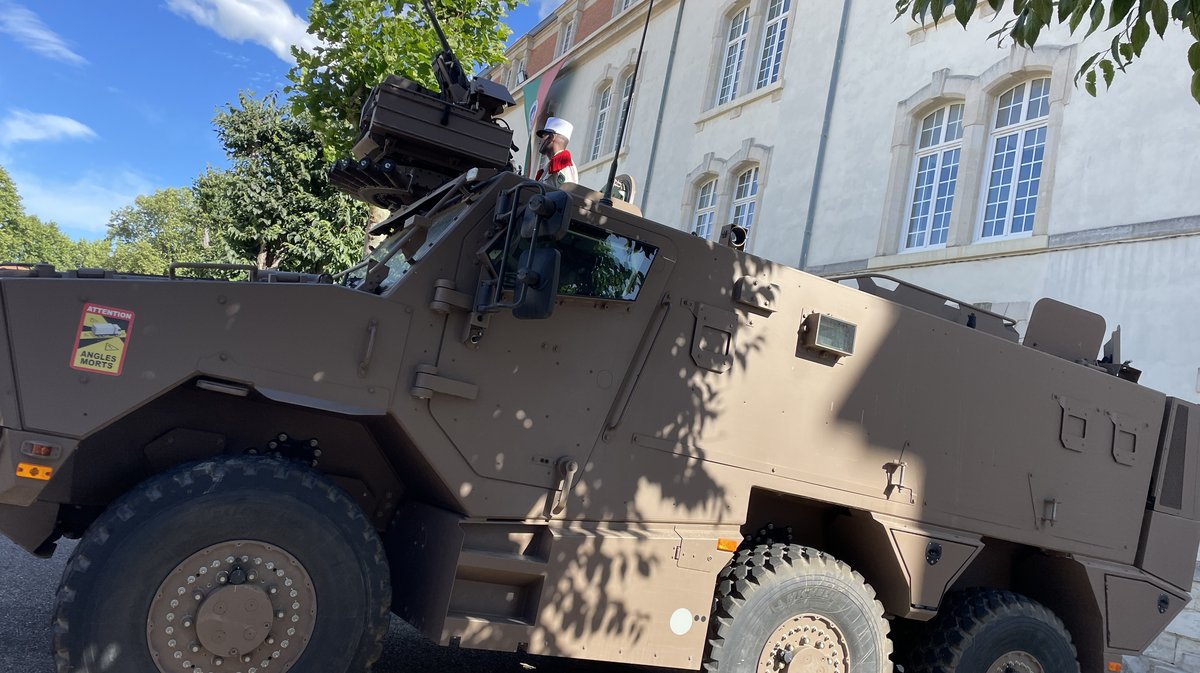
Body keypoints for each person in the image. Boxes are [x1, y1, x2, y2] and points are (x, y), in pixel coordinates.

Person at [534, 117, 578, 188]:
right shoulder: (548, 168)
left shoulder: (563, 162)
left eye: (543, 136)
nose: (539, 141)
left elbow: (566, 195)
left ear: (552, 137)